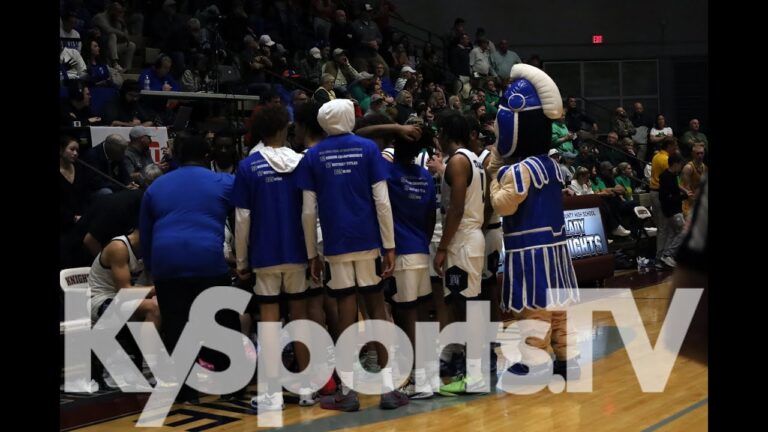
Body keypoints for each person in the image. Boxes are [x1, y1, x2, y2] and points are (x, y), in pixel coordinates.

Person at [295, 99, 407, 411]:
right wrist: (390, 245)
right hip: (369, 240)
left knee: (345, 313)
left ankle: (348, 390)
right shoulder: (369, 149)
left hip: (335, 245)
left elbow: (307, 212)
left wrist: (311, 254)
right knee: (375, 309)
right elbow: (382, 201)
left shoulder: (313, 155)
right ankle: (387, 389)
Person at [486, 64, 580, 381]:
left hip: (529, 250)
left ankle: (534, 361)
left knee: (534, 308)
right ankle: (565, 359)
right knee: (557, 311)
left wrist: (492, 179)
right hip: (556, 248)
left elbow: (504, 206)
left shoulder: (518, 171)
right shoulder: (553, 166)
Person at [139, 133, 240, 403]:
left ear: (177, 158)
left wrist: (153, 269)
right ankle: (231, 385)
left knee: (176, 326)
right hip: (206, 260)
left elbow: (146, 235)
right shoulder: (223, 181)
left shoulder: (156, 187)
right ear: (208, 158)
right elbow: (245, 213)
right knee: (222, 321)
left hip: (166, 263)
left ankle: (185, 391)